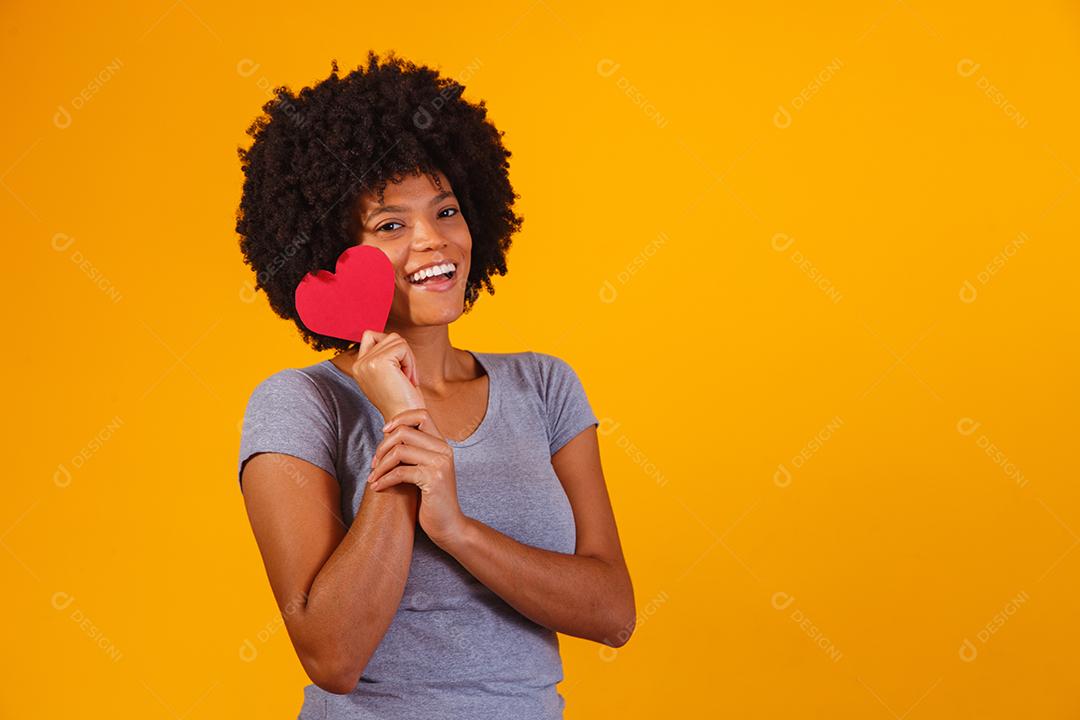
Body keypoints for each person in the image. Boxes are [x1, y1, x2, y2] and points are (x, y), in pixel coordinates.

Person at [234, 50, 635, 719]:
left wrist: (456, 529)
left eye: (446, 212)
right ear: (331, 253)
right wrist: (404, 423)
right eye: (391, 224)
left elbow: (612, 612)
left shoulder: (544, 386)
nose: (433, 241)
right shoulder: (300, 405)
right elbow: (332, 656)